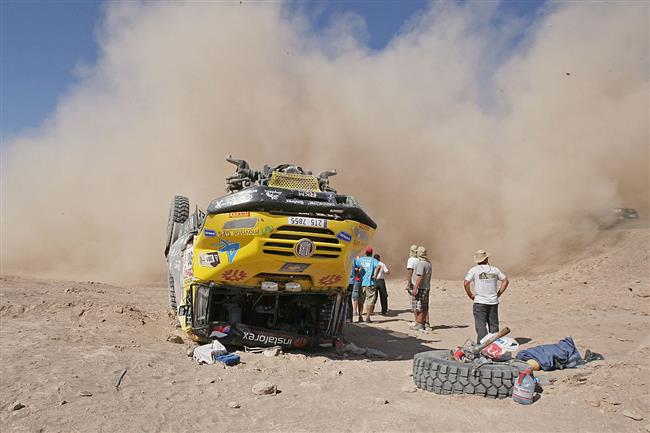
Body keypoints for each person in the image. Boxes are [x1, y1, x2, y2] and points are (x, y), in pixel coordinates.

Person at [463, 249, 509, 343]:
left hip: (480, 302)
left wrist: (470, 295)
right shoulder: (495, 270)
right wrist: (499, 293)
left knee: (481, 326)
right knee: (494, 325)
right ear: (487, 258)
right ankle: (495, 345)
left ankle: (483, 346)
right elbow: (505, 281)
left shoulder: (474, 270)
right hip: (493, 302)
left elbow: (466, 283)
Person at [354, 246, 380, 323]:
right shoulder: (373, 260)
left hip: (361, 283)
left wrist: (357, 273)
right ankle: (368, 318)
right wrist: (375, 275)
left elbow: (354, 266)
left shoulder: (360, 260)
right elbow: (378, 267)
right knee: (370, 301)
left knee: (360, 301)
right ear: (371, 253)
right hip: (370, 283)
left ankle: (360, 316)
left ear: (365, 253)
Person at [410, 246, 432, 331]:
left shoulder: (421, 263)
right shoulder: (429, 263)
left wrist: (415, 288)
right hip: (427, 287)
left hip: (421, 288)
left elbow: (419, 276)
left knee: (419, 306)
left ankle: (419, 324)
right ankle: (426, 323)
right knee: (425, 305)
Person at [405, 245, 419, 323]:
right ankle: (422, 321)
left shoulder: (411, 260)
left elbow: (410, 272)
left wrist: (408, 284)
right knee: (420, 303)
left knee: (414, 303)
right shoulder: (419, 260)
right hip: (420, 284)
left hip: (413, 284)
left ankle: (417, 321)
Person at [350, 256, 364, 322]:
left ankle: (355, 312)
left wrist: (357, 271)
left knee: (355, 296)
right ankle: (358, 314)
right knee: (358, 297)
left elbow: (360, 267)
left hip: (356, 280)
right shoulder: (355, 259)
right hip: (357, 280)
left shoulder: (354, 259)